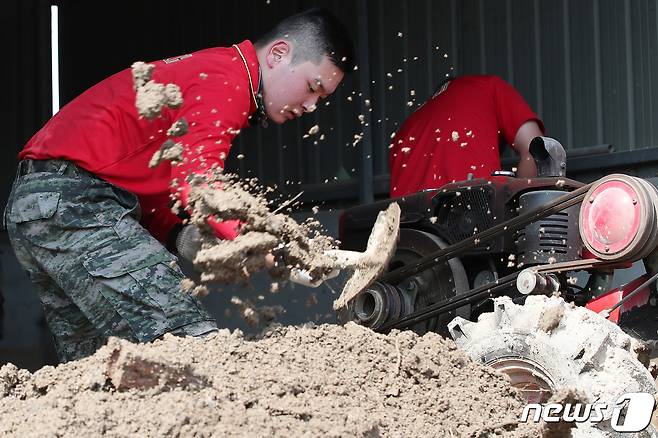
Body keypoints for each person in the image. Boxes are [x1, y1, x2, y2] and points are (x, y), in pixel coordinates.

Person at [3, 8, 355, 362]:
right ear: (279, 55)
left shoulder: (208, 74)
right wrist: (275, 245)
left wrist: (189, 240)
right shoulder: (227, 77)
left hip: (40, 203)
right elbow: (200, 185)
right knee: (190, 344)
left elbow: (150, 181)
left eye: (321, 100)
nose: (311, 106)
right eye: (313, 88)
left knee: (96, 363)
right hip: (75, 202)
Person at [388, 75, 544, 197]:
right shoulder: (487, 85)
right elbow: (536, 150)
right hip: (469, 214)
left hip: (405, 229)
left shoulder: (403, 131)